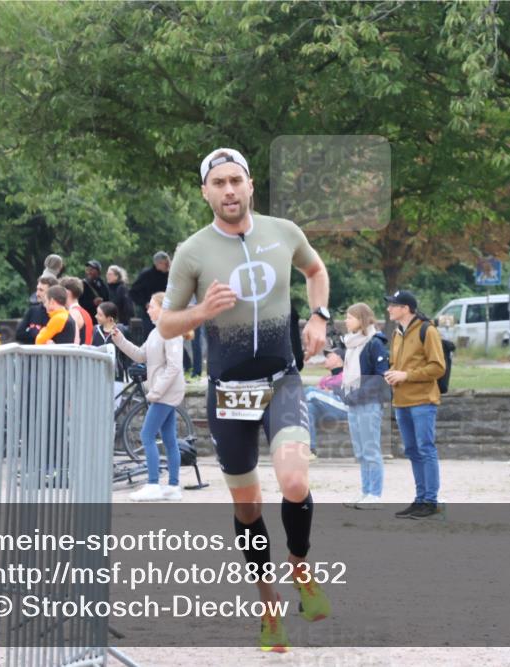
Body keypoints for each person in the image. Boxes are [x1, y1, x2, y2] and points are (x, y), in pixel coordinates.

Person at [158, 147, 331, 652]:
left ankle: (300, 568)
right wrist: (199, 312)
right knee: (249, 505)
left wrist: (319, 316)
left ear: (251, 184)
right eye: (219, 183)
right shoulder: (192, 251)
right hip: (229, 391)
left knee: (295, 483)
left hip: (282, 379)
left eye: (236, 180)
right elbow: (166, 322)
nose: (229, 190)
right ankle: (269, 605)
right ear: (205, 192)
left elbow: (316, 271)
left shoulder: (285, 231)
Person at [111, 292, 185, 501]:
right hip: (164, 392)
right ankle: (172, 487)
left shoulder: (170, 332)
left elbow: (174, 367)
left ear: (163, 308)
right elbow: (141, 355)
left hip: (165, 393)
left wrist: (156, 392)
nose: (148, 309)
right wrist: (120, 340)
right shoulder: (157, 332)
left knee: (146, 435)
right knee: (169, 439)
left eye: (151, 305)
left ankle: (153, 484)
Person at [385, 290, 445, 520]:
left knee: (425, 448)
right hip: (401, 401)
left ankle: (430, 501)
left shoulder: (426, 330)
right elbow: (397, 363)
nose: (389, 308)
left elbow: (438, 367)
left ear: (406, 308)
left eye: (393, 304)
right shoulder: (396, 333)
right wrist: (391, 373)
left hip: (422, 401)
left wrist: (406, 375)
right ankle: (420, 499)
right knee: (411, 450)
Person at [341, 303, 390, 509]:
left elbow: (380, 375)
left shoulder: (374, 343)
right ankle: (365, 491)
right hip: (353, 403)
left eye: (350, 317)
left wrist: (358, 394)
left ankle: (375, 494)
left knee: (371, 450)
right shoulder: (351, 344)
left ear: (361, 319)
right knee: (360, 451)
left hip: (369, 403)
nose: (346, 320)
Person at [304, 344, 348, 460]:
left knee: (310, 391)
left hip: (344, 408)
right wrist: (325, 391)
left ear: (339, 358)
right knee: (308, 408)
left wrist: (325, 391)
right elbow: (322, 393)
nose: (326, 358)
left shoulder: (347, 374)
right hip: (328, 410)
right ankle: (310, 450)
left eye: (329, 356)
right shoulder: (325, 378)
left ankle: (288, 407)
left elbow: (318, 392)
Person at [130, 251, 171, 336]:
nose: (168, 265)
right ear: (158, 263)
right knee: (150, 337)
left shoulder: (170, 275)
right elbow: (133, 292)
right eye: (166, 264)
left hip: (166, 312)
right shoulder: (146, 275)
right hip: (149, 315)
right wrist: (145, 303)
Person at [92, 301, 132, 380]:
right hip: (96, 371)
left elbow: (126, 354)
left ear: (110, 318)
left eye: (100, 315)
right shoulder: (95, 330)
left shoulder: (120, 331)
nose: (96, 316)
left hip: (115, 373)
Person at [16, 276, 58, 344]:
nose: (37, 294)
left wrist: (32, 332)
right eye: (37, 289)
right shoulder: (33, 311)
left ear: (51, 293)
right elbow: (19, 334)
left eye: (41, 290)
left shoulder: (59, 314)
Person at [60, 277, 92, 345]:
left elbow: (70, 342)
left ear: (66, 292)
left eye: (60, 292)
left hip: (77, 354)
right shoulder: (85, 312)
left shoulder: (73, 313)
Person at [80, 260, 110, 325]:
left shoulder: (102, 284)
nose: (89, 271)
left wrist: (102, 301)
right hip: (87, 318)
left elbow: (108, 299)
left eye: (92, 269)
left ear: (98, 271)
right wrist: (92, 303)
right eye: (88, 269)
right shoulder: (82, 284)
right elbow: (80, 303)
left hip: (100, 319)